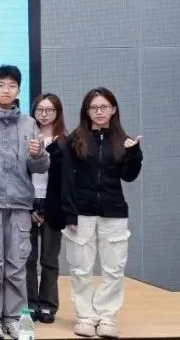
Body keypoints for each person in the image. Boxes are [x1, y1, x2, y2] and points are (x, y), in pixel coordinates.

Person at [0, 65, 49, 340]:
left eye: (12, 85)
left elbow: (39, 167)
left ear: (19, 90)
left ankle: (15, 318)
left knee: (17, 264)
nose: (6, 90)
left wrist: (39, 155)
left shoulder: (29, 123)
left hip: (20, 203)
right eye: (1, 85)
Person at [61, 87, 143, 339]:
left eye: (104, 107)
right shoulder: (75, 139)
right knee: (80, 269)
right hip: (82, 212)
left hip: (114, 212)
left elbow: (128, 176)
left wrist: (134, 154)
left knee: (114, 269)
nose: (99, 112)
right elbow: (66, 179)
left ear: (113, 109)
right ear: (86, 111)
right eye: (93, 107)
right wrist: (69, 213)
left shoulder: (123, 139)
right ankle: (85, 317)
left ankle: (107, 317)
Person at [27, 93, 68, 326]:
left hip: (53, 205)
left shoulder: (66, 142)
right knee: (28, 259)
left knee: (50, 259)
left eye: (49, 110)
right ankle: (30, 304)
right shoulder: (27, 137)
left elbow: (67, 180)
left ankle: (48, 305)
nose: (44, 114)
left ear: (57, 113)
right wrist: (31, 206)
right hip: (27, 203)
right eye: (40, 109)